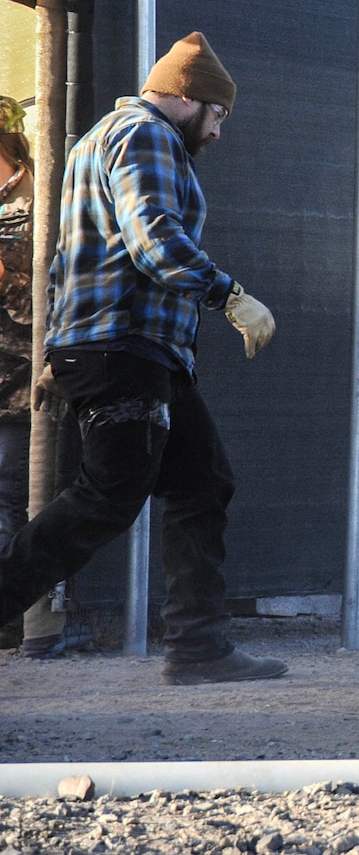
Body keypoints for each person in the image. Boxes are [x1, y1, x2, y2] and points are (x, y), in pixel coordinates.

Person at [0, 34, 284, 682]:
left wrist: (53, 353)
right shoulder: (148, 135)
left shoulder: (94, 141)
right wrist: (233, 297)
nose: (217, 130)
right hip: (125, 349)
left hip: (128, 349)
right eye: (216, 114)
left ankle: (199, 646)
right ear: (187, 95)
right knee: (107, 496)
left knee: (202, 478)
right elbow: (155, 240)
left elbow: (64, 262)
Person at [0, 96, 34, 647]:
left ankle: (11, 617)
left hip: (18, 381)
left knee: (9, 493)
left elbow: (35, 308)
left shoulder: (36, 203)